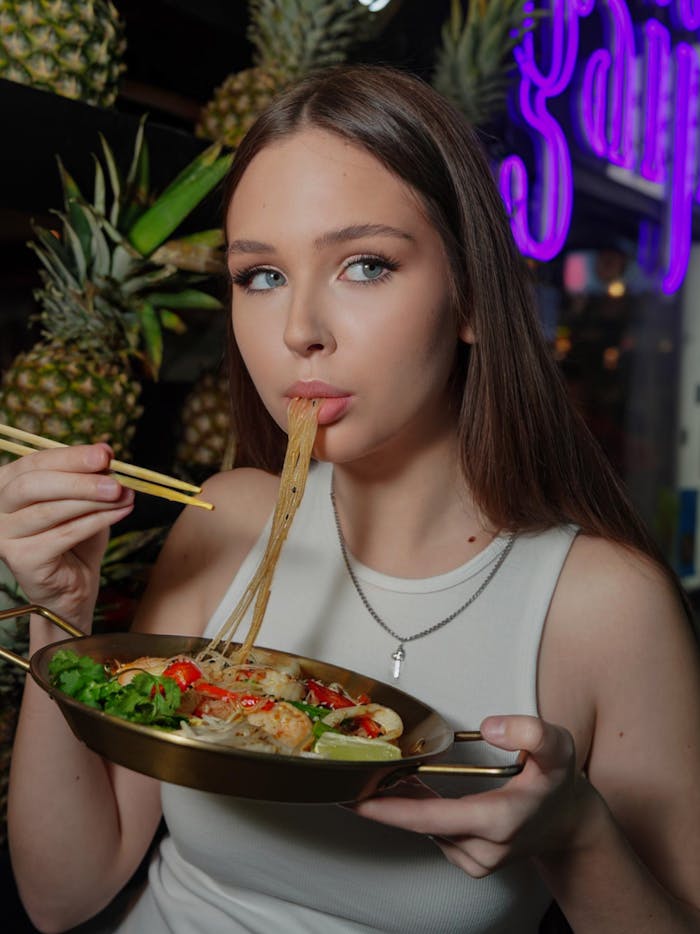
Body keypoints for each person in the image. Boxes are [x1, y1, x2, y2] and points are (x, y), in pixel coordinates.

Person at [2, 64, 700, 934]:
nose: (300, 329)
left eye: (365, 265)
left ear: (472, 298)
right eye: (260, 275)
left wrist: (579, 835)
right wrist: (56, 615)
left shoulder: (607, 606)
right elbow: (61, 896)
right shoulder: (228, 517)